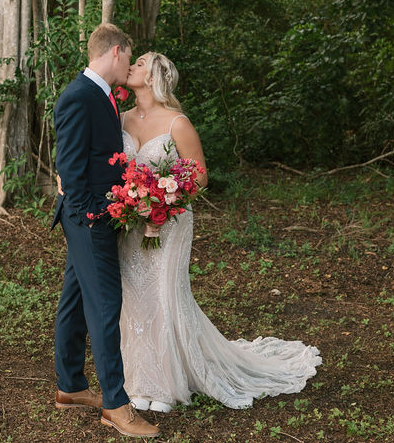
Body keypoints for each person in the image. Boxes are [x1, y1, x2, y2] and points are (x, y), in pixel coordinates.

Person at [118, 52, 322, 412]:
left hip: (169, 223)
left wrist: (163, 203)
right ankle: (139, 379)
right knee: (136, 297)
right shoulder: (120, 119)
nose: (132, 65)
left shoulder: (177, 123)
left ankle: (164, 385)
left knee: (165, 295)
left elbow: (198, 177)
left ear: (153, 77)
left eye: (140, 62)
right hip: (132, 224)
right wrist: (133, 203)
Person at [50, 24, 159, 438]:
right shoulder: (78, 96)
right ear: (116, 52)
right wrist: (96, 216)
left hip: (93, 215)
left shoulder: (103, 95)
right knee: (106, 306)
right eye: (129, 57)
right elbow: (71, 170)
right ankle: (115, 403)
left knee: (75, 300)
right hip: (89, 220)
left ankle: (71, 386)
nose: (130, 65)